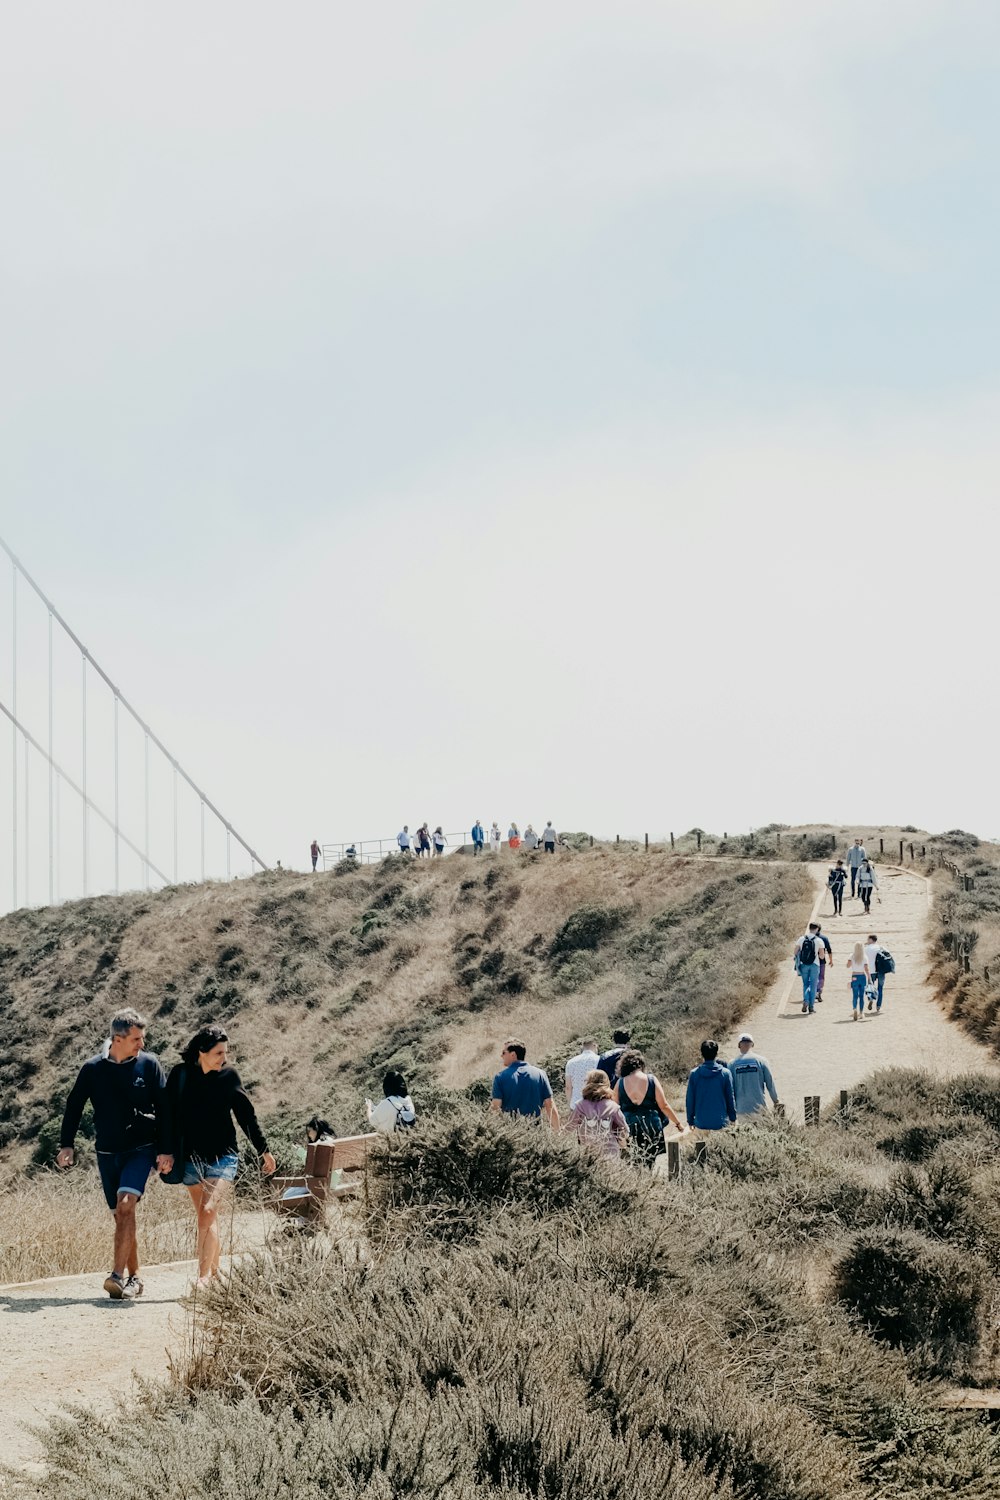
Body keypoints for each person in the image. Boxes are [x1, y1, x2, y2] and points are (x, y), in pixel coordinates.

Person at [57, 1008, 170, 1300]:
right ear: (117, 1038)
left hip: (141, 1148)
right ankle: (135, 1279)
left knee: (126, 1204)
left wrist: (167, 1150)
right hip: (107, 1151)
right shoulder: (93, 1069)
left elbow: (167, 1110)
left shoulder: (149, 1065)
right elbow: (74, 1105)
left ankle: (116, 1276)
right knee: (122, 1215)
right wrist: (66, 1143)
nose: (141, 1044)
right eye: (136, 1038)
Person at [162, 1024, 276, 1288]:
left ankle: (202, 1278)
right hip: (190, 1158)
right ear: (201, 1052)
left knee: (208, 1209)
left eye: (225, 1052)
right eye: (218, 1053)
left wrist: (264, 1150)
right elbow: (167, 1117)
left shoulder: (229, 1077)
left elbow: (247, 1117)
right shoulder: (180, 1075)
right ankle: (214, 1273)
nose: (224, 1058)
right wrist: (165, 1152)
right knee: (206, 1217)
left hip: (224, 1156)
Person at [616, 1048, 685, 1164]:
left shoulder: (620, 1082)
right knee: (649, 1161)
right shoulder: (651, 1079)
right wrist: (678, 1123)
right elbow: (664, 1105)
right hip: (651, 1125)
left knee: (633, 1161)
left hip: (630, 1126)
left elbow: (614, 1107)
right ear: (641, 1064)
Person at [491, 1039, 559, 1127]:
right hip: (535, 1134)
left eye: (504, 1052)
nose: (501, 1056)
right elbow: (550, 1106)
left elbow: (496, 1109)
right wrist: (557, 1133)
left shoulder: (500, 1077)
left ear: (513, 1054)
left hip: (510, 1134)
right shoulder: (540, 1074)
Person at [571, 1070, 630, 1159]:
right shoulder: (613, 1106)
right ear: (607, 1084)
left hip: (588, 1153)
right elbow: (625, 1129)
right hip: (611, 1154)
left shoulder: (580, 1105)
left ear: (588, 1083)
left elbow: (569, 1128)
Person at [685, 1040, 737, 1131]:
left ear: (702, 1054)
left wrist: (690, 1120)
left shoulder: (694, 1074)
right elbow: (730, 1098)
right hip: (721, 1123)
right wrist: (733, 1118)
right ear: (716, 1053)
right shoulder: (725, 1073)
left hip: (701, 1122)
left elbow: (690, 1099)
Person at [727, 1034, 779, 1117]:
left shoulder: (732, 1064)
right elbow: (770, 1083)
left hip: (741, 1109)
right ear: (752, 1044)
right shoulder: (762, 1061)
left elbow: (729, 1088)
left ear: (739, 1045)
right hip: (759, 1107)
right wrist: (776, 1101)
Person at [794, 922, 823, 1014]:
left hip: (804, 964)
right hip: (815, 965)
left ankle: (805, 1000)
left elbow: (795, 952)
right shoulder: (819, 940)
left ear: (809, 928)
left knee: (805, 984)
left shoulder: (801, 939)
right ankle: (811, 1006)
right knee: (813, 985)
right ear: (817, 929)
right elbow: (821, 956)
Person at [564, 1038, 600, 1109]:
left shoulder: (571, 1062)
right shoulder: (599, 1060)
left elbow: (568, 1087)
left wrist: (569, 1104)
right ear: (594, 1046)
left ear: (583, 1047)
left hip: (576, 1104)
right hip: (594, 1103)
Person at [864, 933, 893, 1011]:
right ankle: (878, 1006)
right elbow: (889, 956)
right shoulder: (881, 947)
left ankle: (870, 999)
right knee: (880, 987)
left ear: (870, 939)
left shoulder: (866, 948)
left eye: (868, 939)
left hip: (871, 971)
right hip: (881, 970)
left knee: (870, 987)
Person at [846, 942, 872, 1020]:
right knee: (861, 996)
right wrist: (869, 977)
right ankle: (861, 1012)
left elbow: (848, 966)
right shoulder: (865, 957)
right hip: (862, 976)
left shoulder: (851, 956)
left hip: (854, 976)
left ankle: (854, 1009)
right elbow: (866, 969)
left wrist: (851, 962)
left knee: (855, 995)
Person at [816, 926, 833, 1000]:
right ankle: (819, 991)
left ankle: (811, 992)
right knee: (821, 977)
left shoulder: (806, 938)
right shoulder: (824, 938)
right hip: (821, 961)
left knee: (812, 977)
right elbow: (829, 950)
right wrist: (831, 960)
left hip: (809, 961)